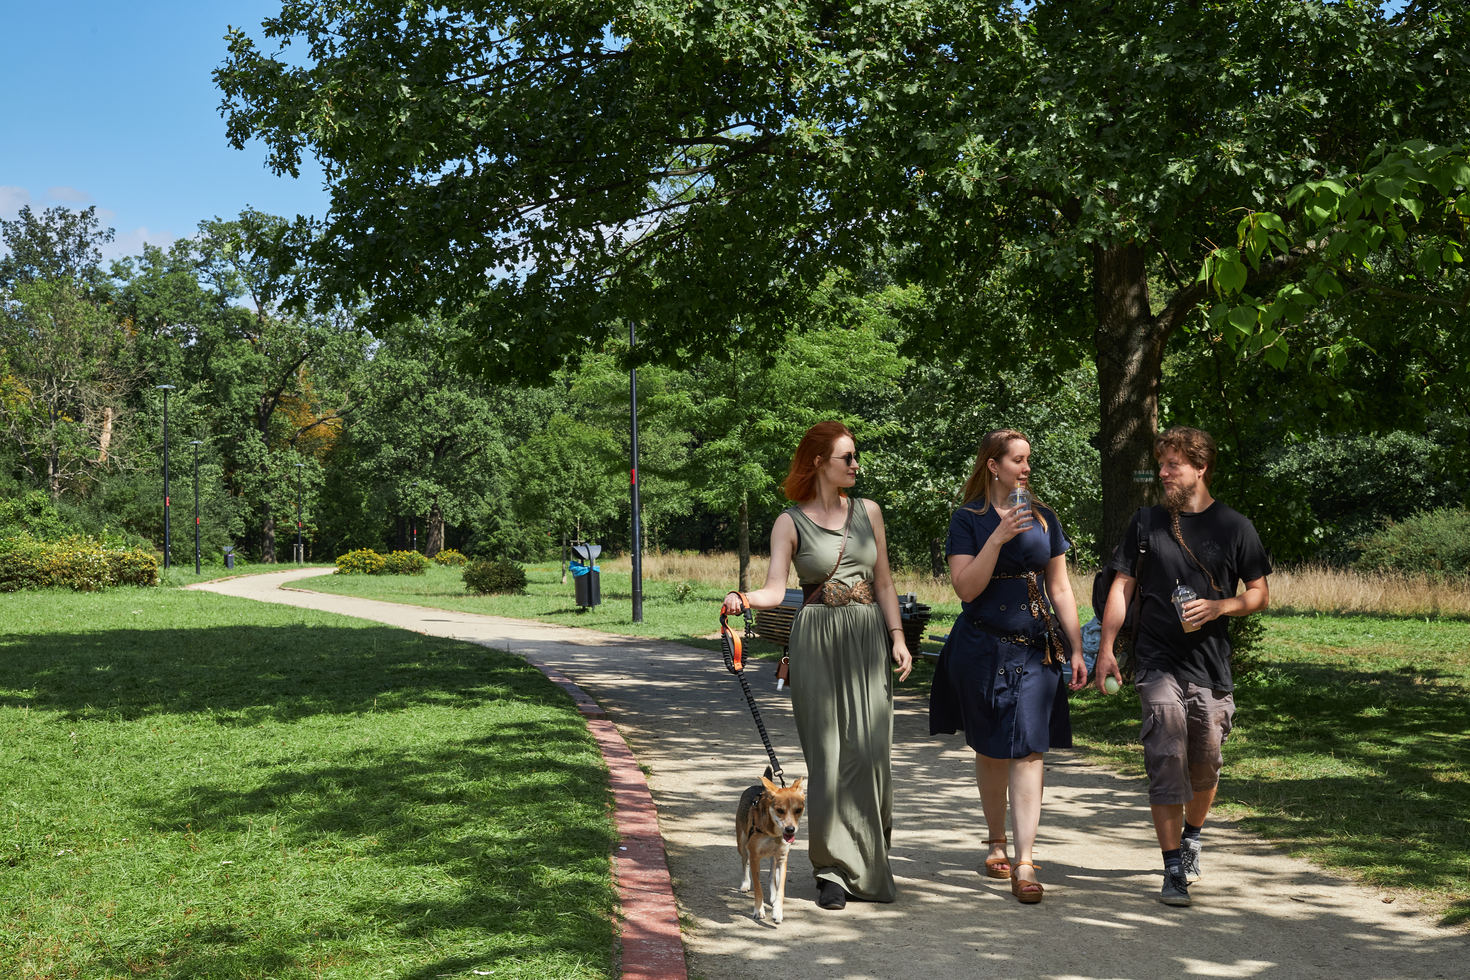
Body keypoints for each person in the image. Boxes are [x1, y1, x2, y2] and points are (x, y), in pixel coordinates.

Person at [723, 420, 913, 910]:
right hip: (817, 640)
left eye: (855, 456)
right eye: (846, 458)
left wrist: (897, 637)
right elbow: (775, 588)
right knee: (828, 761)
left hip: (867, 637)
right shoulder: (790, 521)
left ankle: (870, 865)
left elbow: (886, 583)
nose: (855, 465)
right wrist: (743, 598)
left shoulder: (870, 512)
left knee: (870, 757)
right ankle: (831, 873)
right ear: (818, 463)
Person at [1094, 426, 1271, 908]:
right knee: (1166, 749)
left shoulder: (1235, 527)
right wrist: (1107, 647)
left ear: (1200, 467)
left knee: (1206, 761)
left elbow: (1259, 594)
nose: (1164, 473)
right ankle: (1173, 867)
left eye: (1174, 464)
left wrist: (1219, 608)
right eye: (1162, 463)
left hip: (1210, 664)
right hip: (1156, 659)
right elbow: (1122, 588)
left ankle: (1193, 835)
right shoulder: (1146, 522)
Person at [929, 429, 1087, 904]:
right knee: (992, 748)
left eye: (1028, 460)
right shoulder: (967, 520)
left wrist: (1077, 649)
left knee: (1030, 749)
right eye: (1017, 460)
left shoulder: (1045, 520)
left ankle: (1024, 859)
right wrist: (997, 537)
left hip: (1037, 649)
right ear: (993, 466)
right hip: (982, 648)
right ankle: (995, 838)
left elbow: (1060, 588)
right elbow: (966, 589)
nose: (1026, 468)